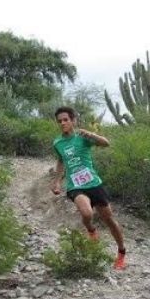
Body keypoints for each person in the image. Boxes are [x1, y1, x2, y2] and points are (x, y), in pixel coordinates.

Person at [51, 106, 127, 270]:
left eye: (65, 120)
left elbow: (106, 143)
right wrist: (57, 181)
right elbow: (61, 161)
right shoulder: (58, 143)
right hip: (75, 185)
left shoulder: (82, 136)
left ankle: (121, 252)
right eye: (60, 121)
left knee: (109, 220)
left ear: (73, 120)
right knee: (86, 213)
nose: (62, 123)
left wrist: (92, 135)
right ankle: (92, 231)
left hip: (94, 183)